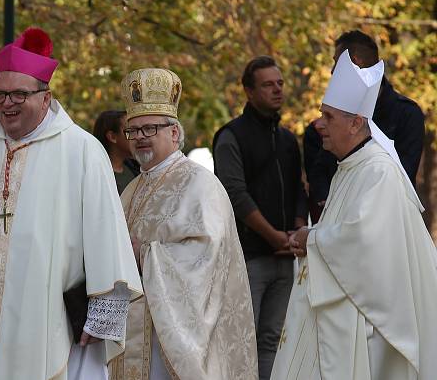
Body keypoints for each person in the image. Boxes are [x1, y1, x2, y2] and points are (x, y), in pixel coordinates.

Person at [0, 27, 142, 380]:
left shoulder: (81, 149)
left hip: (46, 314)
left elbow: (107, 233)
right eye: (1, 94)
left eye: (19, 94)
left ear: (46, 97)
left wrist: (104, 308)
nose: (7, 104)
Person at [271, 49, 437, 380]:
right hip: (338, 315)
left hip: (364, 329)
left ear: (356, 122)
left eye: (328, 117)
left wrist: (311, 239)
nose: (318, 125)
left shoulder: (378, 172)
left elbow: (364, 244)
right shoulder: (350, 167)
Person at [109, 68, 257, 380]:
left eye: (148, 129)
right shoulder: (132, 189)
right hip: (135, 329)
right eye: (132, 131)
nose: (138, 139)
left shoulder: (200, 184)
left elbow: (206, 258)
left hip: (172, 340)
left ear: (174, 133)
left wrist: (145, 255)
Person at [212, 55, 307, 380]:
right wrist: (274, 236)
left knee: (273, 341)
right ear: (249, 92)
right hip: (248, 258)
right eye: (268, 84)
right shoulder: (231, 136)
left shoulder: (287, 139)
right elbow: (235, 195)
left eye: (279, 83)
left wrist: (296, 232)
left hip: (284, 259)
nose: (277, 90)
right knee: (241, 340)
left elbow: (298, 189)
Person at [303, 30, 424, 222]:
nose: (332, 71)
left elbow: (401, 176)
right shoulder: (335, 139)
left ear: (357, 123)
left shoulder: (405, 116)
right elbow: (322, 170)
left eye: (336, 61)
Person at [92, 110, 140, 194]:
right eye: (130, 131)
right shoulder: (97, 176)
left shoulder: (136, 168)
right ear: (112, 137)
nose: (138, 137)